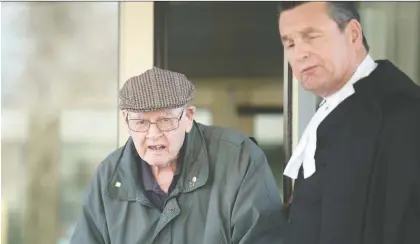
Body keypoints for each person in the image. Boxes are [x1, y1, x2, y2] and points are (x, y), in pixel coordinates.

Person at [69, 67, 284, 244]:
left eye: (165, 121)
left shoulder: (239, 159)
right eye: (141, 122)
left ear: (189, 117)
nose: (153, 134)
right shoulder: (109, 176)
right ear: (126, 121)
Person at [278, 2, 420, 244]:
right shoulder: (332, 113)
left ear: (353, 34)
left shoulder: (403, 113)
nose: (299, 53)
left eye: (311, 36)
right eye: (290, 43)